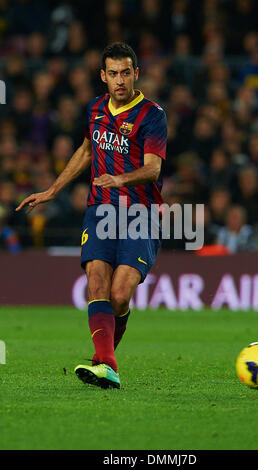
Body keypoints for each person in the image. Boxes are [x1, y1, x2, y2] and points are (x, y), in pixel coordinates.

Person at [16, 42, 167, 390]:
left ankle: (104, 361)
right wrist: (53, 190)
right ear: (103, 76)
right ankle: (108, 366)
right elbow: (86, 150)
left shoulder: (152, 114)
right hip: (100, 209)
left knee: (119, 296)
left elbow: (153, 169)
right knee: (96, 283)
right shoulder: (95, 109)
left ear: (136, 74)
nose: (119, 80)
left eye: (126, 73)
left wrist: (120, 179)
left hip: (139, 213)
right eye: (113, 73)